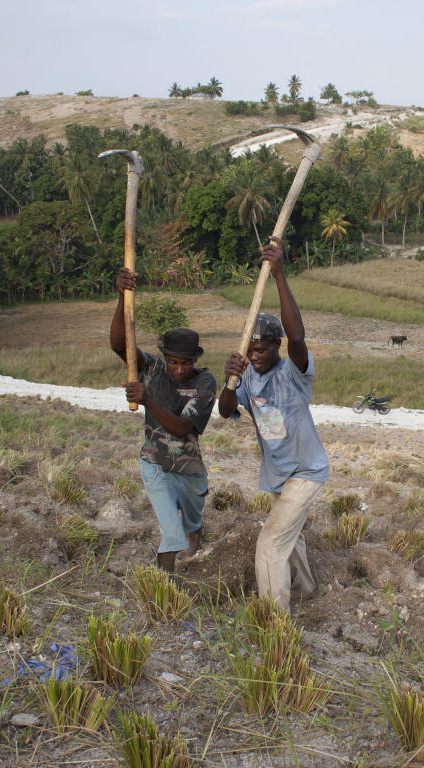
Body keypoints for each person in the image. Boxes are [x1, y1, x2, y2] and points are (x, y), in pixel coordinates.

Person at [218, 238, 329, 612]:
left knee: (270, 543)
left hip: (306, 471)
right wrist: (230, 379)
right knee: (289, 538)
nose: (255, 356)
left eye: (261, 349)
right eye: (250, 350)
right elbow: (225, 410)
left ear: (276, 348)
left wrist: (280, 273)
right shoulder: (248, 376)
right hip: (277, 473)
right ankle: (307, 590)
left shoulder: (293, 372)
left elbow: (298, 336)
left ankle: (274, 622)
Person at [110, 267, 217, 573]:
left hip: (188, 466)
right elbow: (121, 345)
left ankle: (195, 533)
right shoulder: (154, 369)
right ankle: (164, 588)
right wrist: (121, 297)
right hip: (154, 461)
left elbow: (183, 429)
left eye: (185, 363)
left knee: (193, 519)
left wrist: (147, 400)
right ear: (165, 358)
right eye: (173, 362)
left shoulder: (205, 383)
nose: (178, 369)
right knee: (171, 531)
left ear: (194, 361)